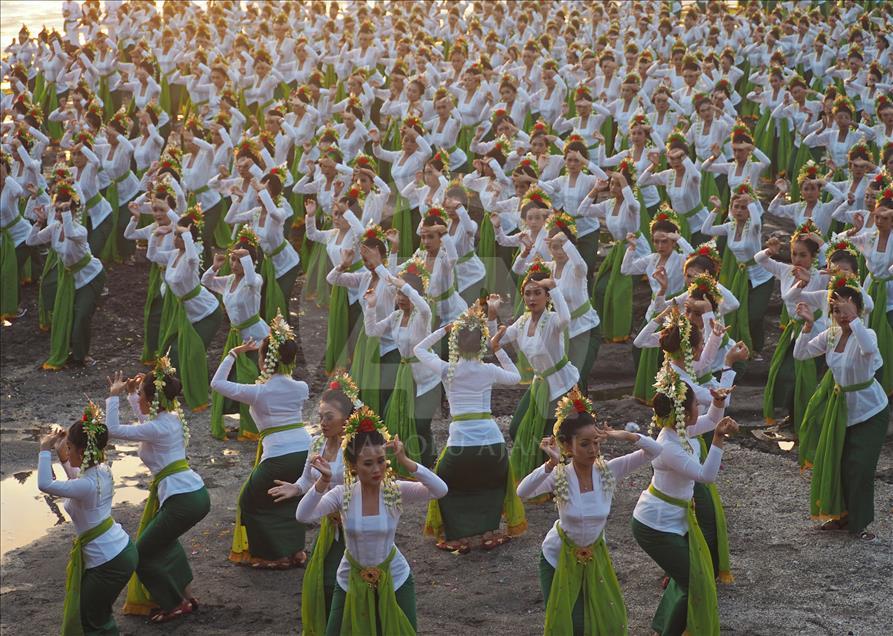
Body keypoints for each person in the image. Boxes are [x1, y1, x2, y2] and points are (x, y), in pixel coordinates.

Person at [517, 388, 662, 636]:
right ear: (567, 446)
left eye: (596, 442)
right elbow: (522, 492)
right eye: (584, 444)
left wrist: (625, 435)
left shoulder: (608, 470)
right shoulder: (560, 475)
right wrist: (550, 464)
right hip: (557, 557)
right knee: (571, 623)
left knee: (608, 619)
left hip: (595, 557)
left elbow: (655, 451)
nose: (593, 449)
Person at [296, 408, 448, 635]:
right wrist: (323, 481)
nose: (377, 469)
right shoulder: (342, 493)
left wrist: (406, 461)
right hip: (349, 579)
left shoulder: (394, 490)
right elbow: (303, 515)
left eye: (381, 461)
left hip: (395, 578)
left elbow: (440, 490)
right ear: (354, 466)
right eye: (368, 463)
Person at [631, 367, 739, 636]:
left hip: (672, 520)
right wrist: (718, 439)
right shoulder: (669, 446)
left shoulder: (680, 430)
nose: (699, 409)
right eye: (697, 405)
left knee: (689, 576)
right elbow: (706, 476)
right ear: (685, 413)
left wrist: (717, 403)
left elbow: (711, 420)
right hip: (654, 526)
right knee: (693, 581)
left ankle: (664, 627)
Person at [105, 359, 210, 623]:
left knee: (141, 554)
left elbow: (114, 430)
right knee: (165, 544)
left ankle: (175, 603)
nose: (138, 395)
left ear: (152, 399)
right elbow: (146, 423)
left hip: (183, 499)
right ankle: (186, 595)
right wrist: (131, 394)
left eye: (141, 393)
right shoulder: (169, 419)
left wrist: (113, 397)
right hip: (193, 493)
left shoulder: (158, 426)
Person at [415, 305, 526, 553]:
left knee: (448, 484)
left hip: (460, 448)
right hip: (493, 446)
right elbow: (516, 377)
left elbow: (418, 349)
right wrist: (497, 349)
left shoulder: (447, 370)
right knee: (493, 484)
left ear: (455, 341)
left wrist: (442, 330)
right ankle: (490, 531)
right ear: (482, 343)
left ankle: (457, 537)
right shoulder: (488, 370)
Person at [210, 313, 311, 568]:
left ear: (266, 359)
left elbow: (217, 383)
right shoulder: (302, 387)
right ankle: (296, 551)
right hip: (305, 451)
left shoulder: (259, 392)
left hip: (277, 455)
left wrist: (233, 353)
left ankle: (274, 556)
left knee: (250, 501)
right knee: (289, 498)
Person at [793, 275, 889, 541]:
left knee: (860, 467)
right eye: (836, 310)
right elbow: (801, 354)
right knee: (839, 463)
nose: (841, 314)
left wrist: (852, 318)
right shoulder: (832, 335)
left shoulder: (866, 333)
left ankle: (861, 525)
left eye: (846, 308)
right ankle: (841, 516)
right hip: (841, 410)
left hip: (871, 411)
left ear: (858, 308)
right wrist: (808, 325)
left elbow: (868, 348)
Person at [268, 374, 357, 636]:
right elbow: (307, 479)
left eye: (329, 416)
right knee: (324, 582)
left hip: (355, 526)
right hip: (329, 526)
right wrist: (295, 488)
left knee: (341, 581)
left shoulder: (355, 448)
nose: (322, 422)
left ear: (347, 419)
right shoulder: (317, 443)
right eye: (320, 416)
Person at [37, 404, 138, 636]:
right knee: (97, 616)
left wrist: (44, 448)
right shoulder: (101, 469)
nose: (66, 451)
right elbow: (75, 476)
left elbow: (44, 484)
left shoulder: (87, 483)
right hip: (120, 551)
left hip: (108, 561)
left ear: (82, 451)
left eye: (69, 447)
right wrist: (61, 451)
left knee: (93, 621)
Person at [502, 259, 579, 484]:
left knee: (551, 437)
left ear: (546, 297)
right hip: (540, 385)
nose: (532, 298)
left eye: (537, 293)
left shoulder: (553, 320)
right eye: (527, 293)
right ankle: (537, 476)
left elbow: (566, 318)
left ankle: (553, 482)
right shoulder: (522, 322)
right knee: (517, 427)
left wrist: (554, 287)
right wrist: (491, 314)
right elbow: (497, 341)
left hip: (562, 386)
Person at [203, 228, 269, 440]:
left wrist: (247, 258)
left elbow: (250, 281)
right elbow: (206, 282)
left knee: (250, 379)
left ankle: (253, 428)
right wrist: (215, 266)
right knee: (228, 377)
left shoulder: (256, 279)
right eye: (233, 260)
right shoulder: (230, 280)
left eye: (238, 261)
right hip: (235, 336)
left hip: (255, 336)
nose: (234, 264)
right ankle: (237, 422)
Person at [27, 192, 106, 369]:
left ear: (72, 211)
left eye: (64, 209)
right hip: (72, 279)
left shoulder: (80, 230)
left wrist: (66, 212)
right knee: (68, 314)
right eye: (57, 209)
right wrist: (39, 223)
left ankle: (83, 355)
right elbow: (31, 240)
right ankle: (73, 351)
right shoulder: (54, 228)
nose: (59, 213)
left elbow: (69, 233)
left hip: (92, 276)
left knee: (82, 316)